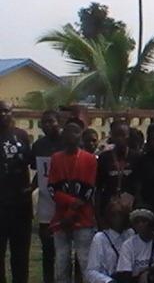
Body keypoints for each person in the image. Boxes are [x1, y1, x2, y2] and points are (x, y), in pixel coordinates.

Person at [48, 121, 98, 283]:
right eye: (68, 132)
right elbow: (53, 189)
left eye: (76, 132)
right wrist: (70, 203)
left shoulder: (89, 159)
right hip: (60, 219)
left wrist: (70, 213)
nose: (71, 136)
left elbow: (87, 191)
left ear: (80, 137)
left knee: (85, 261)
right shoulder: (56, 159)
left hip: (82, 218)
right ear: (63, 136)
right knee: (61, 261)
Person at [0, 100, 32, 283]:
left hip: (21, 206)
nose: (4, 115)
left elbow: (32, 162)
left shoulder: (21, 136)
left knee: (21, 254)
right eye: (0, 111)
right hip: (1, 205)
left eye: (7, 111)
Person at [32, 109, 65, 283]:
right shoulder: (38, 146)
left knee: (65, 248)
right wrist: (30, 189)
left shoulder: (68, 142)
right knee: (47, 248)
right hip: (46, 203)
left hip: (66, 202)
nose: (47, 125)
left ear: (59, 121)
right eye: (44, 122)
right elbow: (38, 172)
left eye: (51, 121)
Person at [96, 120, 138, 224]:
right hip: (109, 208)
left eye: (123, 135)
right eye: (116, 135)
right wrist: (98, 214)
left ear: (128, 136)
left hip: (131, 209)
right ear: (111, 136)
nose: (120, 139)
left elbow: (140, 185)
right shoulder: (104, 158)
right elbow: (98, 187)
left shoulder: (137, 157)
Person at [115, 207, 154, 283]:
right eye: (137, 222)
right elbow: (124, 274)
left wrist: (148, 273)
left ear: (151, 223)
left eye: (144, 221)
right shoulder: (128, 245)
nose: (140, 224)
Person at [85, 201, 135, 283]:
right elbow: (91, 272)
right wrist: (108, 281)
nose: (117, 218)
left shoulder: (130, 234)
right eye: (113, 215)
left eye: (120, 214)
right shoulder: (100, 238)